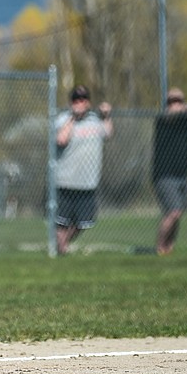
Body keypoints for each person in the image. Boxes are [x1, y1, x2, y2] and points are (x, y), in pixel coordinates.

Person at [53, 84, 113, 255]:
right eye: (76, 100)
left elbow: (108, 134)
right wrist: (73, 117)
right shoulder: (62, 119)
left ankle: (61, 246)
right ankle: (61, 249)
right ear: (71, 102)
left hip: (88, 181)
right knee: (62, 221)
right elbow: (61, 139)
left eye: (83, 99)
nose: (79, 103)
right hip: (65, 180)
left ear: (88, 102)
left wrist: (107, 116)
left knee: (83, 222)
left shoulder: (95, 120)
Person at [151, 87, 187, 256]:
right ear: (167, 104)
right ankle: (160, 247)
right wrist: (185, 109)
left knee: (178, 213)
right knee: (174, 211)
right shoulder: (163, 118)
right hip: (165, 175)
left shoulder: (185, 119)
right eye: (172, 101)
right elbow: (174, 115)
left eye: (179, 101)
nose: (175, 105)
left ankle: (169, 247)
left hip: (182, 173)